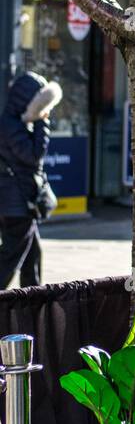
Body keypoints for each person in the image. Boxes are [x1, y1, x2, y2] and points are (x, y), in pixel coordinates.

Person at [0, 72, 63, 289]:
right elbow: (34, 156)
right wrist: (41, 122)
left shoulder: (13, 122)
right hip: (16, 206)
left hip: (17, 203)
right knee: (10, 259)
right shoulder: (11, 126)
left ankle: (34, 300)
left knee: (32, 255)